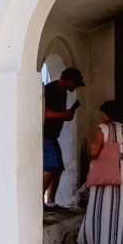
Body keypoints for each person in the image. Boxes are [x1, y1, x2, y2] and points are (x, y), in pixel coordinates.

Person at [79, 100, 123, 244]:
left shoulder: (103, 129)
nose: (101, 115)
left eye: (103, 112)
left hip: (104, 177)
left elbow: (93, 151)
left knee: (97, 212)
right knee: (120, 214)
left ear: (108, 113)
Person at [42, 67, 84, 211]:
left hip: (53, 135)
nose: (76, 87)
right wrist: (63, 115)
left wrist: (67, 116)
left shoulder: (63, 92)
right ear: (69, 80)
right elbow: (44, 114)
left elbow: (57, 114)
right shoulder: (50, 89)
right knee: (53, 166)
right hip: (45, 135)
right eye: (76, 83)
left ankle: (50, 202)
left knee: (58, 168)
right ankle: (36, 201)